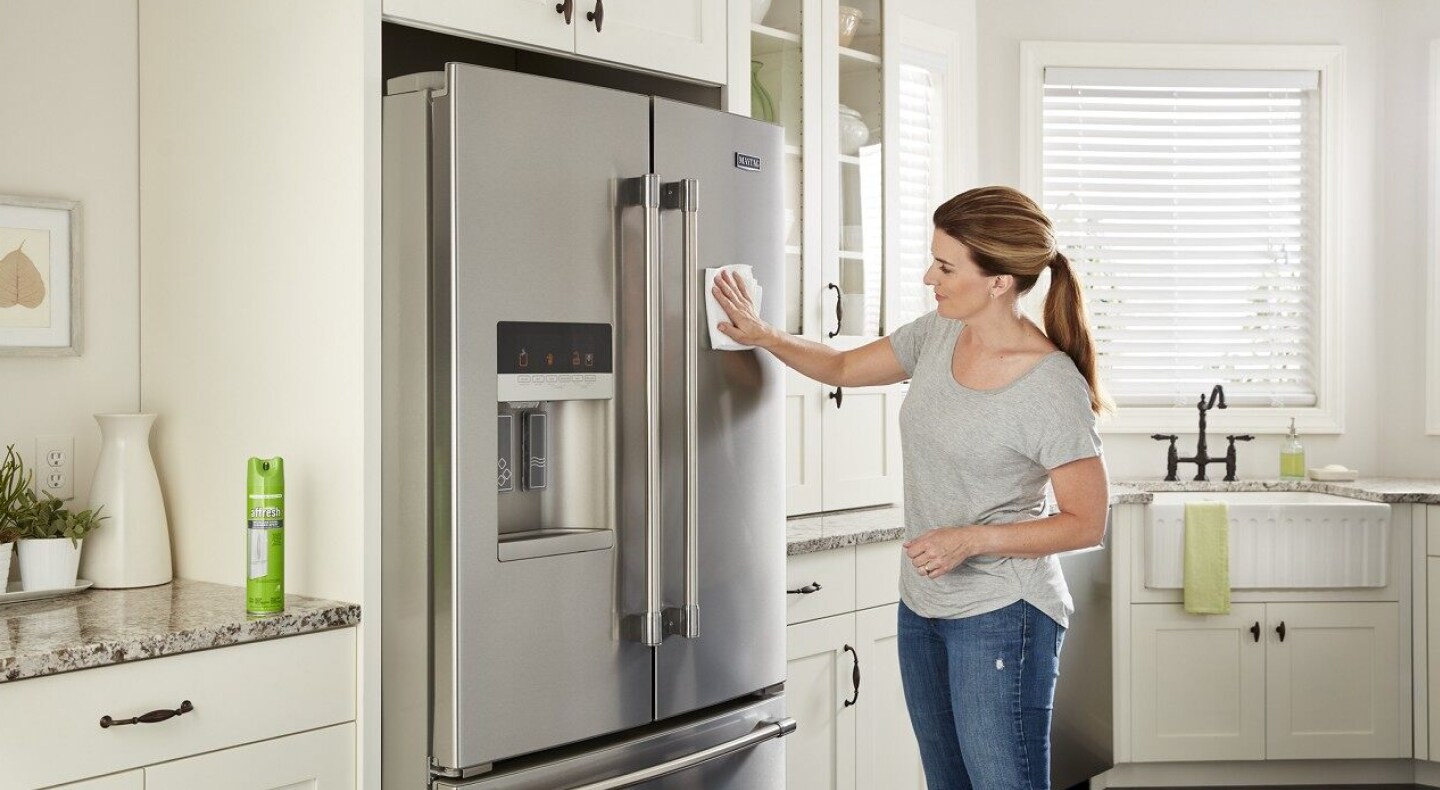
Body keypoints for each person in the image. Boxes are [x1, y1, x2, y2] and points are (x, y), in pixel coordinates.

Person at [712, 185, 1109, 790]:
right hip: (923, 606)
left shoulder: (1051, 387)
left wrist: (971, 540)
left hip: (1005, 614)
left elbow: (1086, 522)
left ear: (999, 281)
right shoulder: (940, 334)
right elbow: (843, 367)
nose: (930, 276)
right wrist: (764, 334)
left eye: (946, 266)